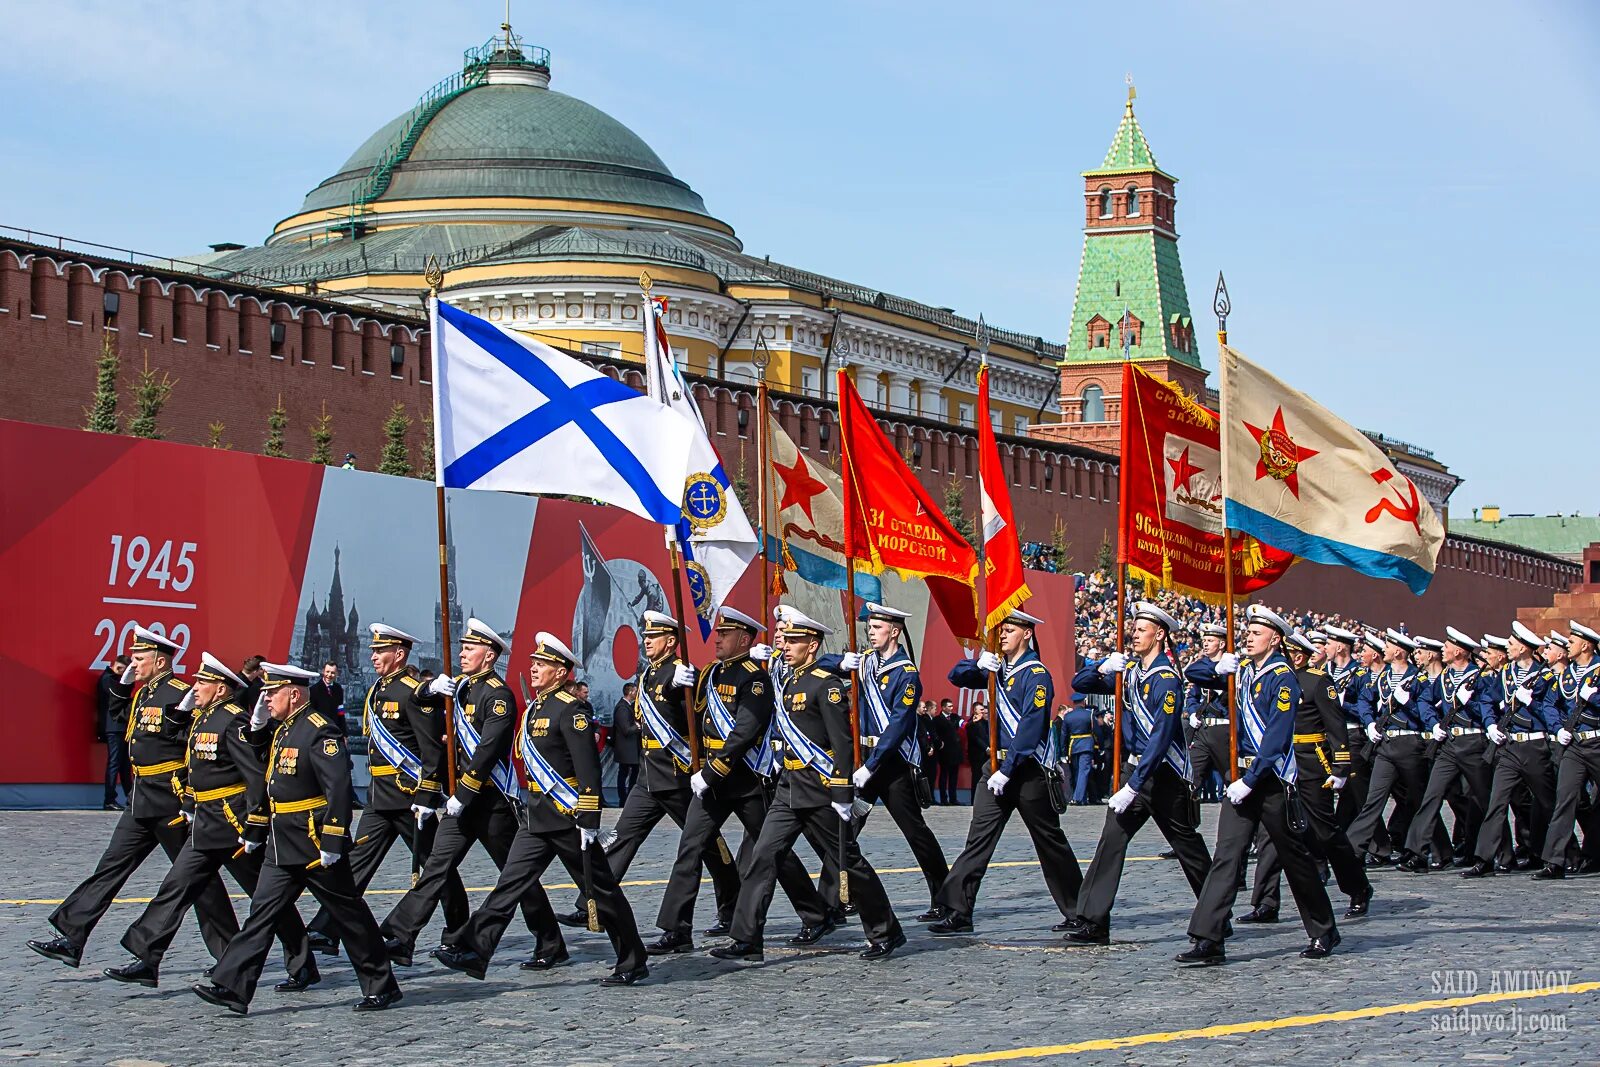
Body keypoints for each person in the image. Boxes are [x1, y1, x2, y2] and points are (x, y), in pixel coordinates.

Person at [434, 632, 649, 985]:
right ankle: (476, 948)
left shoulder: (570, 709)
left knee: (601, 890)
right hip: (536, 816)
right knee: (509, 884)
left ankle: (632, 957)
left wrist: (589, 818)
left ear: (561, 671)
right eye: (534, 663)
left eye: (542, 664)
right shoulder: (536, 707)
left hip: (566, 817)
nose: (533, 669)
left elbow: (587, 767)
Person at [192, 662, 401, 1014]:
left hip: (313, 842)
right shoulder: (284, 729)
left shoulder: (320, 731)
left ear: (293, 693)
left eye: (272, 693)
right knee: (260, 914)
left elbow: (338, 789)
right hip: (281, 839)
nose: (266, 698)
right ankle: (233, 987)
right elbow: (262, 767)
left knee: (349, 915)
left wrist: (334, 839)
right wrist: (257, 727)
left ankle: (382, 984)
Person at [104, 652, 317, 990]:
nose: (196, 687)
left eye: (203, 683)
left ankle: (302, 961)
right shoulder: (203, 718)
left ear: (220, 690)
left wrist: (255, 823)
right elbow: (194, 766)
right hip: (205, 823)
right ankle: (147, 955)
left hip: (233, 825)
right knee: (175, 888)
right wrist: (189, 802)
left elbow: (255, 776)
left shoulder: (232, 721)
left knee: (264, 898)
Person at [29, 628, 237, 971]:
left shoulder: (180, 694)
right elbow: (129, 726)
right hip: (141, 797)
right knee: (110, 867)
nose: (134, 664)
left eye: (139, 659)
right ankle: (72, 936)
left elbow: (197, 742)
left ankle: (231, 957)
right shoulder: (144, 694)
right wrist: (123, 690)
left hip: (169, 800)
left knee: (197, 881)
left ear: (160, 661)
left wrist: (188, 796)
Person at [712, 608, 905, 962]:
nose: (785, 645)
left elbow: (842, 743)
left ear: (812, 644)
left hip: (819, 787)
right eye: (784, 639)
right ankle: (746, 938)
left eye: (795, 640)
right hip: (788, 787)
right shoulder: (788, 681)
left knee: (848, 862)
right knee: (763, 857)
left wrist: (843, 792)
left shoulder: (825, 684)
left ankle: (885, 930)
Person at [379, 618, 567, 969]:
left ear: (490, 655)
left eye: (470, 648)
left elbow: (488, 751)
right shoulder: (461, 688)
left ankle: (550, 941)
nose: (462, 654)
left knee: (516, 878)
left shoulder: (498, 695)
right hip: (461, 803)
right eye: (462, 647)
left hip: (490, 802)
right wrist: (430, 688)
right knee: (436, 867)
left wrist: (461, 795)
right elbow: (420, 706)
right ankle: (401, 936)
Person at [654, 607, 832, 947]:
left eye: (725, 634)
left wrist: (710, 772)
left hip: (746, 781)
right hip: (713, 784)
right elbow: (694, 716)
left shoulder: (755, 678)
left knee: (775, 855)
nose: (717, 638)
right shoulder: (709, 673)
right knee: (690, 848)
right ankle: (676, 928)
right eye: (718, 633)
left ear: (745, 639)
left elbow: (745, 731)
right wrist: (676, 688)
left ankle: (815, 914)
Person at [567, 611, 739, 955]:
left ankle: (719, 912)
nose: (646, 641)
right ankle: (591, 903)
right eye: (646, 636)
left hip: (677, 778)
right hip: (648, 779)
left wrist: (686, 687)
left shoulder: (680, 672)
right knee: (619, 838)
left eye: (654, 637)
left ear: (671, 642)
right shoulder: (647, 674)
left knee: (703, 848)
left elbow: (697, 712)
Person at [1178, 605, 1339, 965]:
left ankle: (1324, 928)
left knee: (1294, 858)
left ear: (1275, 639)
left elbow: (1278, 738)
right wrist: (1219, 667)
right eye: (1247, 631)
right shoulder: (1244, 671)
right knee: (1226, 856)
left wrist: (1250, 780)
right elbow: (1193, 671)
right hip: (1242, 781)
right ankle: (1209, 937)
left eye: (1256, 633)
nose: (1248, 637)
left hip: (1269, 782)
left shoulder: (1282, 677)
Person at [304, 623, 467, 956]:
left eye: (381, 651)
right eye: (374, 651)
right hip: (379, 798)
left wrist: (425, 797)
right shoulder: (378, 688)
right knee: (355, 863)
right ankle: (327, 928)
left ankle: (459, 933)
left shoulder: (412, 692)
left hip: (408, 798)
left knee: (438, 870)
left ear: (399, 654)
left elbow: (431, 751)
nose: (374, 655)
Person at [1065, 602, 1212, 945]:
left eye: (1141, 629)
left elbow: (1161, 739)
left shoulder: (1167, 679)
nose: (1134, 634)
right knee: (1111, 841)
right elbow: (1079, 682)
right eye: (1133, 628)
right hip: (1137, 769)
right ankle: (1093, 920)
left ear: (1159, 634)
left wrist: (1132, 785)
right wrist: (1101, 666)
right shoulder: (1129, 670)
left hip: (1163, 777)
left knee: (1186, 845)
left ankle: (1216, 912)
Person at [931, 608, 1082, 935]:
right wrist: (977, 663)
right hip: (995, 767)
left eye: (1009, 629)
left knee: (1049, 842)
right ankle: (959, 910)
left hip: (1026, 772)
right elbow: (956, 676)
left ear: (1027, 633)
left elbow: (1031, 726)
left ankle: (1078, 910)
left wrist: (1008, 768)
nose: (1002, 635)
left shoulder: (1036, 674)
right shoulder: (995, 669)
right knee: (978, 839)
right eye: (999, 630)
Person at [1244, 633, 1373, 923]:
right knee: (1272, 834)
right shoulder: (1271, 677)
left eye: (1292, 653)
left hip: (1310, 762)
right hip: (1278, 761)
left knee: (1325, 830)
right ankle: (1266, 902)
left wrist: (1341, 767)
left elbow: (1336, 726)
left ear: (1300, 655)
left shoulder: (1316, 681)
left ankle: (1358, 887)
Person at [839, 602, 950, 923]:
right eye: (869, 628)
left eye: (877, 628)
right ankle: (838, 898)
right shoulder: (865, 664)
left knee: (914, 831)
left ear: (895, 631)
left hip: (890, 766)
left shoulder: (906, 674)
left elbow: (899, 725)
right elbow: (833, 667)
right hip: (864, 763)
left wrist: (871, 765)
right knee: (844, 830)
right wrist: (840, 660)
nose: (870, 633)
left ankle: (943, 896)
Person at [1462, 622, 1560, 878]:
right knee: (1496, 802)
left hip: (1535, 745)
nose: (1508, 647)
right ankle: (1484, 858)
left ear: (1525, 649)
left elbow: (1551, 712)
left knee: (1548, 803)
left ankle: (1562, 855)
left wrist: (1533, 704)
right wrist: (1490, 723)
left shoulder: (1544, 676)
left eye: (1513, 644)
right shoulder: (1505, 674)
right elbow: (1486, 700)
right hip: (1509, 747)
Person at [1399, 627, 1491, 873]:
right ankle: (1417, 853)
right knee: (1432, 795)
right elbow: (1425, 701)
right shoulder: (1445, 678)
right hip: (1449, 744)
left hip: (1474, 742)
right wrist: (1434, 723)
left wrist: (1473, 703)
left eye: (1448, 647)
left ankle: (1492, 855)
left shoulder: (1478, 678)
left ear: (1459, 651)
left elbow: (1488, 708)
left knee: (1484, 800)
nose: (1443, 650)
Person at [1347, 629, 1435, 866]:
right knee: (1373, 799)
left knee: (1418, 799)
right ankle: (1353, 849)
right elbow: (1365, 701)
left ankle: (1431, 850)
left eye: (1387, 647)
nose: (1383, 650)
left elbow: (1426, 712)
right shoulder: (1381, 678)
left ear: (1398, 651)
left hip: (1410, 742)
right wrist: (1370, 722)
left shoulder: (1419, 679)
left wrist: (1410, 706)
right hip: (1385, 744)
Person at [1536, 620, 1600, 878]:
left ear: (1585, 645)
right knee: (1565, 799)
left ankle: (1594, 853)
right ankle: (1555, 861)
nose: (1568, 646)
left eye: (1572, 642)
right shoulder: (1566, 675)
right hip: (1573, 743)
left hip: (1598, 741)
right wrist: (1558, 728)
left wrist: (1594, 698)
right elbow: (1550, 703)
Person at [1183, 624, 1233, 802]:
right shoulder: (1201, 667)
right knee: (1190, 776)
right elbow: (1192, 695)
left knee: (1232, 777)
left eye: (1210, 641)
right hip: (1203, 729)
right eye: (1204, 640)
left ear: (1221, 644)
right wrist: (1193, 712)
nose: (1205, 644)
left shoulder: (1234, 665)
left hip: (1224, 729)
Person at [97, 656, 132, 810]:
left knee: (124, 765)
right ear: (119, 668)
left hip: (120, 726)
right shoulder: (107, 680)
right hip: (113, 727)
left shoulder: (112, 679)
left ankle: (130, 797)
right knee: (114, 762)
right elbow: (119, 698)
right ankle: (109, 799)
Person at [612, 680, 642, 804]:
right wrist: (638, 726)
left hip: (630, 749)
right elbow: (626, 729)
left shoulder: (628, 706)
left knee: (631, 773)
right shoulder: (622, 708)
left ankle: (629, 797)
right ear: (630, 692)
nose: (636, 694)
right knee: (624, 774)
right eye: (635, 692)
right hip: (626, 750)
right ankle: (624, 799)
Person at [1062, 697, 1095, 804]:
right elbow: (1097, 731)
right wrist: (1101, 746)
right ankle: (1078, 798)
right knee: (1083, 772)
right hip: (1086, 745)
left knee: (1077, 772)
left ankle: (1082, 797)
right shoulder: (1089, 714)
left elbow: (1064, 735)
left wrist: (1064, 751)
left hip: (1073, 746)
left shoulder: (1068, 716)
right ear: (1083, 702)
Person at [933, 699, 963, 805]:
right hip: (944, 752)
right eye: (949, 706)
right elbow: (934, 734)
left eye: (952, 706)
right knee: (944, 775)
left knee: (954, 777)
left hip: (955, 752)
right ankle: (944, 799)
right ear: (943, 707)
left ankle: (953, 798)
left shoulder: (955, 717)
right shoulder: (937, 719)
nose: (951, 708)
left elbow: (963, 724)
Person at [308, 662, 346, 735]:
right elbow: (311, 714)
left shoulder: (339, 689)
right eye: (327, 672)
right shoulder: (313, 690)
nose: (329, 675)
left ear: (337, 674)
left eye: (332, 673)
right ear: (323, 672)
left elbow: (341, 712)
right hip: (319, 732)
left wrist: (344, 734)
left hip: (334, 730)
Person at [965, 700, 991, 790]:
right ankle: (974, 801)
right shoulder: (972, 723)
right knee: (976, 778)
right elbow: (975, 737)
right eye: (981, 710)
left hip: (986, 755)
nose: (983, 711)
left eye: (983, 709)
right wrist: (986, 748)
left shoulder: (986, 722)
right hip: (976, 756)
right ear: (975, 711)